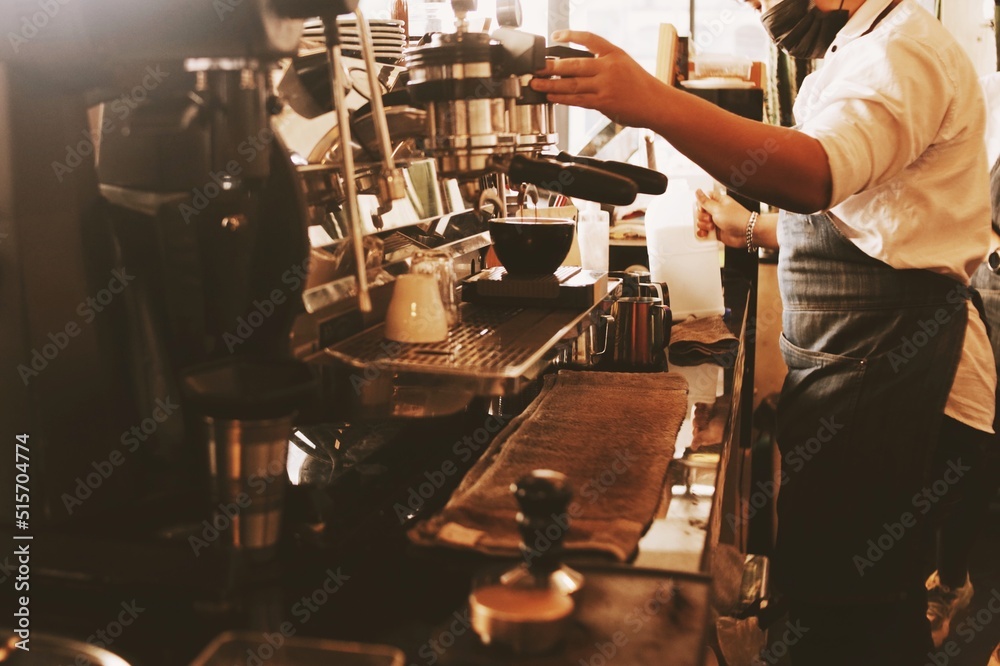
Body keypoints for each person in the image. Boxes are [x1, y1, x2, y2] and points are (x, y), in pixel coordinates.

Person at [530, 0, 997, 663]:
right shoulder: (857, 49)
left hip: (903, 378)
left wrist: (654, 101)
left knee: (852, 611)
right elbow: (866, 218)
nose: (756, 5)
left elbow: (816, 174)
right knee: (836, 593)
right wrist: (744, 225)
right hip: (862, 368)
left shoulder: (900, 50)